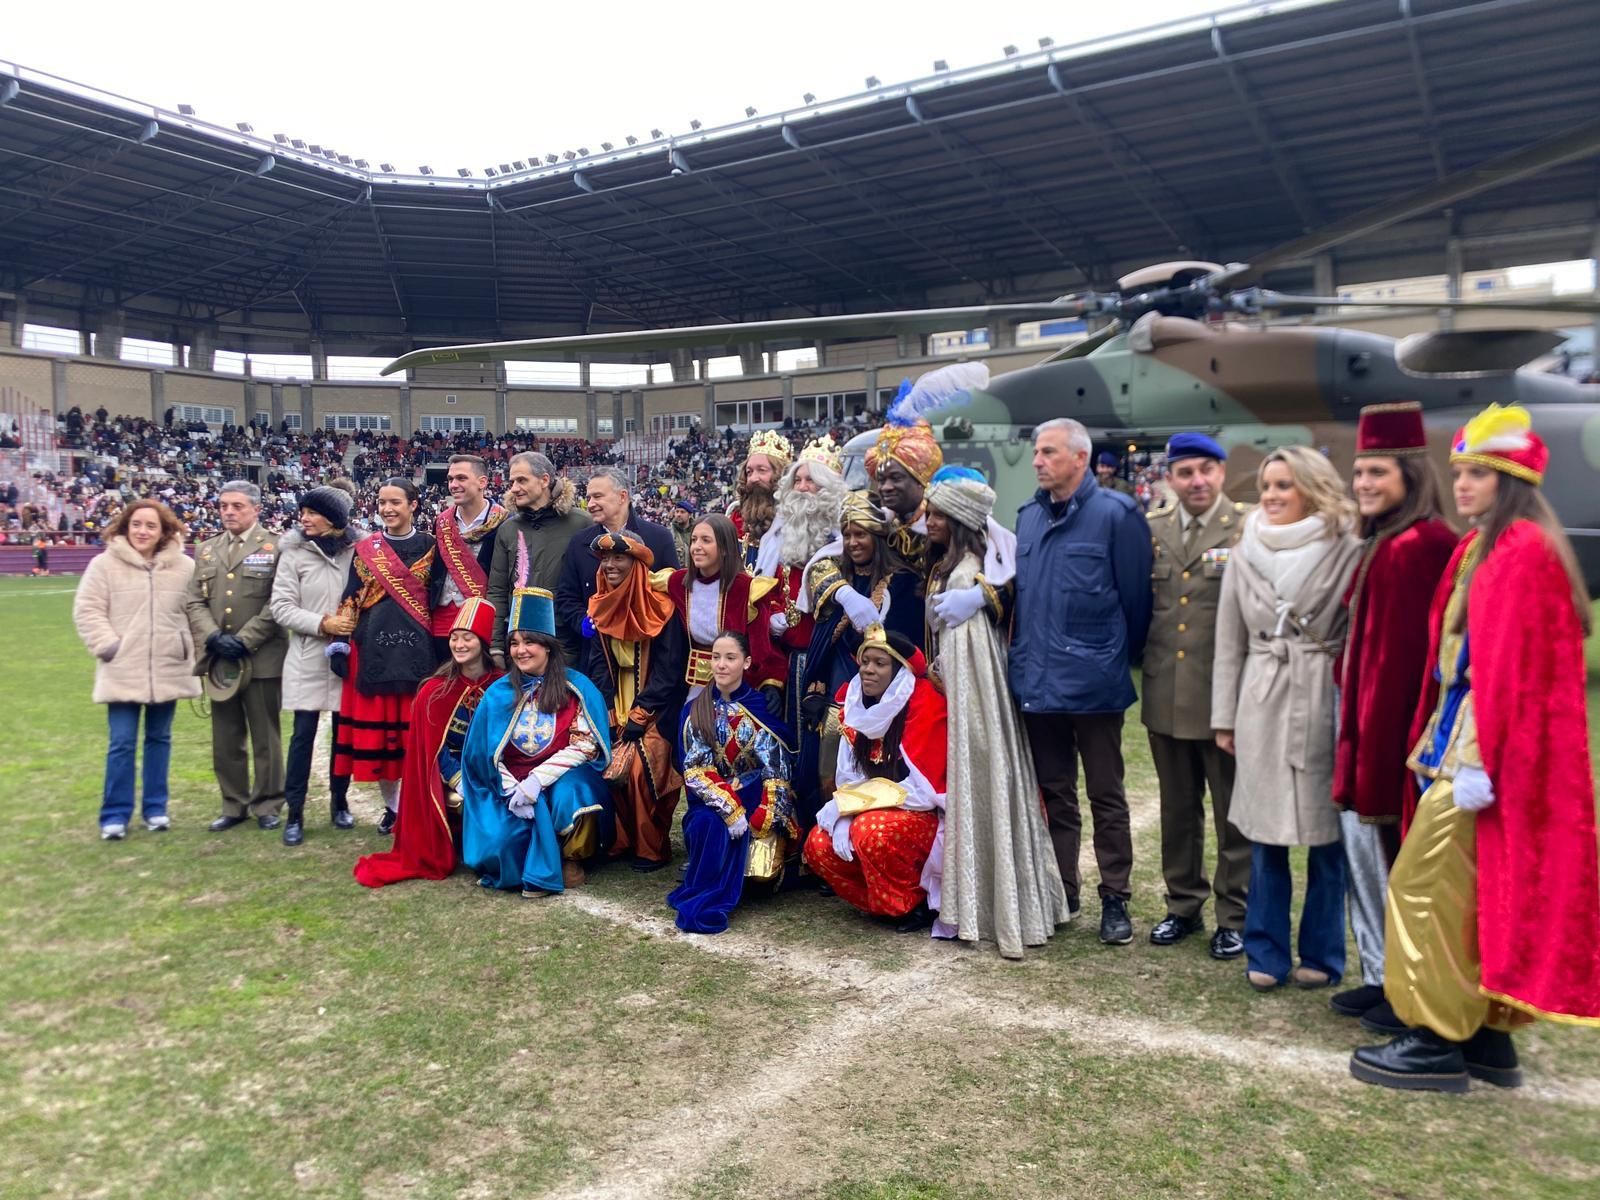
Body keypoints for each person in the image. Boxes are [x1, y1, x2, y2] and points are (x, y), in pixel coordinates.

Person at [1352, 404, 1599, 1093]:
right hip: (1465, 749)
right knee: (1468, 895)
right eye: (1459, 473)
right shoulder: (1491, 545)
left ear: (1510, 481)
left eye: (1478, 475)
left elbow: (1512, 674)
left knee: (1424, 888)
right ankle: (1486, 1038)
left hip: (1480, 759)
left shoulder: (1519, 552)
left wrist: (1481, 761)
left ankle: (1436, 1037)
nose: (1461, 486)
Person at [1211, 446, 1363, 992]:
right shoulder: (1244, 548)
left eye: (1284, 485)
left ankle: (1323, 953)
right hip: (1262, 699)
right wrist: (1224, 718)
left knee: (1328, 839)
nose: (1271, 496)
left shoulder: (1349, 548)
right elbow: (1228, 640)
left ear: (1312, 489)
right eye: (1268, 486)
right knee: (1263, 834)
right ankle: (1265, 950)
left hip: (1324, 696)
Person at [1328, 403, 1458, 1034]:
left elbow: (1403, 666)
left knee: (1398, 869)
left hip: (1392, 743)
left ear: (1410, 473)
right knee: (1370, 864)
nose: (1363, 484)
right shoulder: (1384, 542)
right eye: (1358, 473)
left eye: (1377, 472)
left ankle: (1408, 990)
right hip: (1362, 731)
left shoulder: (1419, 546)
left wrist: (1376, 758)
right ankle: (1382, 977)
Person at [1007, 419, 1153, 945]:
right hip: (1038, 682)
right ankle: (1063, 890)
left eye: (1048, 452)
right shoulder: (1027, 518)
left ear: (1079, 458)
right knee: (1056, 794)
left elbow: (1137, 603)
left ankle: (1115, 897)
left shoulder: (1117, 515)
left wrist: (1110, 656)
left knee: (1107, 795)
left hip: (1094, 683)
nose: (1038, 461)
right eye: (1037, 453)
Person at [925, 466, 1071, 959]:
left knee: (988, 774)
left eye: (936, 514)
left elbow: (1007, 601)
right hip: (962, 682)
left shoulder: (978, 566)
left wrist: (980, 600)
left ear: (958, 518)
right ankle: (983, 904)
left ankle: (1004, 908)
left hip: (982, 691)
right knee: (974, 781)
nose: (928, 521)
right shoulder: (949, 566)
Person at [1141, 433, 1251, 959]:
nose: (1197, 481)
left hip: (1225, 699)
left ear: (1222, 473)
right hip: (1167, 694)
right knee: (1178, 811)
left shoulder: (1248, 527)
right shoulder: (1155, 529)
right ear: (1171, 478)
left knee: (1233, 813)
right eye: (1186, 472)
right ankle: (1182, 903)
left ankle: (1235, 915)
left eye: (1206, 470)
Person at [459, 586, 613, 895]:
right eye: (514, 643)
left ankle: (571, 858)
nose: (520, 651)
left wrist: (537, 781)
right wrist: (514, 788)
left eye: (530, 641)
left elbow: (585, 745)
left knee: (578, 792)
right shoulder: (497, 694)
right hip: (509, 786)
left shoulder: (576, 688)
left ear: (549, 647)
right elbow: (484, 755)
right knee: (500, 845)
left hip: (559, 779)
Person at [804, 627, 946, 932]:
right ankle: (882, 903)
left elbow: (925, 792)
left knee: (870, 832)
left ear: (898, 670)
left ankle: (916, 903)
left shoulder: (922, 704)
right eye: (865, 660)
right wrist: (844, 812)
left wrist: (851, 808)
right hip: (873, 810)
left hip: (924, 815)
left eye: (880, 663)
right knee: (817, 843)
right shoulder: (854, 704)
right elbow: (848, 778)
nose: (868, 669)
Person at [72, 500, 200, 839]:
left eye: (151, 526)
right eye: (137, 524)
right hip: (123, 668)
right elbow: (88, 610)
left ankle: (156, 809)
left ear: (164, 531)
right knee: (122, 742)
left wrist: (193, 652)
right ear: (125, 527)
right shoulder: (104, 564)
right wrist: (109, 645)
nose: (143, 531)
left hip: (168, 666)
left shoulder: (184, 567)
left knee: (160, 739)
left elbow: (195, 614)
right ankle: (114, 815)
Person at [353, 599, 502, 887]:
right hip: (449, 775)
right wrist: (460, 779)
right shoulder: (434, 690)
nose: (458, 645)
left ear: (482, 643)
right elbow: (433, 749)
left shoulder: (501, 685)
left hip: (492, 770)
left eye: (467, 638)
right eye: (454, 638)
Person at [329, 477, 438, 835]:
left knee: (414, 738)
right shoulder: (366, 549)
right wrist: (341, 644)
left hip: (419, 653)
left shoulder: (432, 547)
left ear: (413, 505)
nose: (388, 509)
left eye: (395, 502)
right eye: (382, 502)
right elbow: (351, 597)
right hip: (372, 650)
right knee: (383, 742)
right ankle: (392, 808)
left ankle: (418, 806)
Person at [671, 631, 796, 934]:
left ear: (747, 662)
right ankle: (708, 889)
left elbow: (776, 771)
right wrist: (730, 808)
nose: (721, 665)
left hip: (756, 798)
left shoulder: (760, 709)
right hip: (710, 802)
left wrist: (760, 815)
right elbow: (695, 769)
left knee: (763, 871)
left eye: (730, 657)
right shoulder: (695, 711)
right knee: (707, 827)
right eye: (716, 657)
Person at [185, 480, 290, 832]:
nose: (228, 512)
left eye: (237, 506)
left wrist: (244, 640)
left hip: (261, 657)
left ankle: (268, 803)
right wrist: (212, 636)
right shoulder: (207, 550)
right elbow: (194, 600)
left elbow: (279, 602)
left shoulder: (276, 547)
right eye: (223, 506)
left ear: (256, 509)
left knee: (265, 736)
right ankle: (233, 803)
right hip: (220, 659)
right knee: (226, 736)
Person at [583, 530, 687, 871]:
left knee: (643, 769)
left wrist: (643, 711)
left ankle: (650, 846)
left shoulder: (663, 608)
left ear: (637, 563)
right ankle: (620, 840)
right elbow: (598, 661)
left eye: (619, 558)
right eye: (606, 559)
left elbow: (671, 667)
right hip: (617, 701)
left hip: (657, 705)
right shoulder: (599, 605)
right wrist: (608, 706)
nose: (610, 565)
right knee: (608, 764)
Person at [270, 483, 361, 846]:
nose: (303, 518)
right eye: (302, 512)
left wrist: (349, 627)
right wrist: (323, 623)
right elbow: (281, 607)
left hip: (347, 658)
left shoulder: (358, 552)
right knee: (302, 737)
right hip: (308, 655)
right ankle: (294, 812)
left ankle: (339, 802)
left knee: (343, 737)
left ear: (334, 518)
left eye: (312, 512)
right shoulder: (293, 554)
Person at [660, 513, 785, 702]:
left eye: (706, 540)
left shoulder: (747, 589)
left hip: (738, 688)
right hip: (692, 689)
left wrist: (770, 683)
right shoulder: (678, 582)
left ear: (725, 548)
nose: (697, 547)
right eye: (694, 540)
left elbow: (762, 649)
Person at [556, 465, 677, 653]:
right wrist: (582, 621)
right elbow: (566, 596)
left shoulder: (659, 538)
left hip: (648, 653)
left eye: (597, 496)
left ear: (622, 497)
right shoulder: (579, 542)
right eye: (588, 498)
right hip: (597, 654)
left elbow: (672, 595)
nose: (590, 504)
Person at [487, 451, 590, 664]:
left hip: (569, 644)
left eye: (522, 480)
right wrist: (496, 646)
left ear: (544, 480)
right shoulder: (507, 529)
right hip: (520, 644)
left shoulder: (582, 524)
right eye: (512, 481)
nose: (514, 488)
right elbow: (497, 590)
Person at [429, 454, 507, 654]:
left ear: (482, 482)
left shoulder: (505, 522)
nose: (453, 485)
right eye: (450, 479)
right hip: (441, 622)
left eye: (461, 478)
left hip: (483, 620)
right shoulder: (441, 521)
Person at [728, 429, 792, 566]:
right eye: (749, 472)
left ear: (782, 475)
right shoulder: (735, 518)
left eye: (762, 470)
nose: (753, 479)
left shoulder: (797, 521)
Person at [670, 498, 697, 569]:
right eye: (677, 511)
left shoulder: (696, 532)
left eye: (682, 512)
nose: (678, 514)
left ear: (690, 515)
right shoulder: (669, 532)